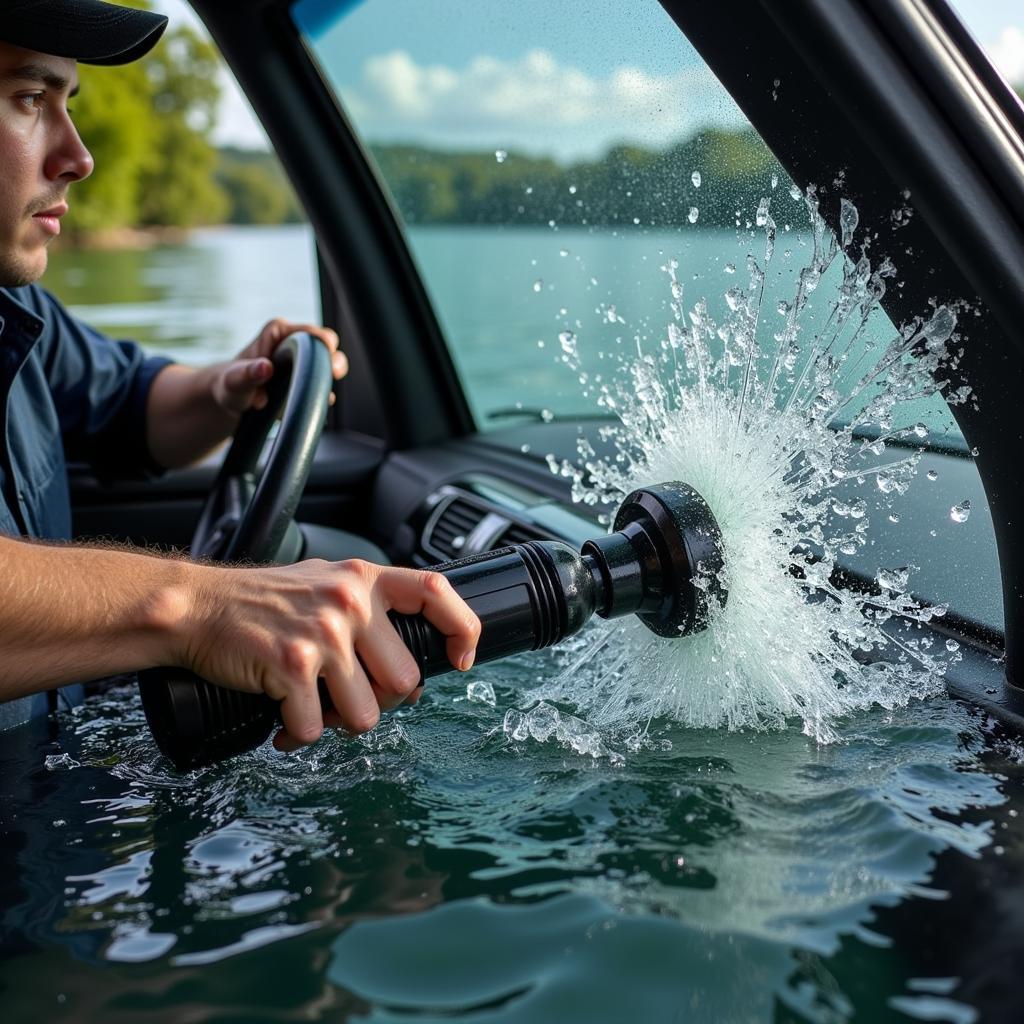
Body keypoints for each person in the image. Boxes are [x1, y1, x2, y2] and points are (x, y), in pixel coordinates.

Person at [0, 1, 480, 749]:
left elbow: (132, 404)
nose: (78, 155)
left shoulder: (16, 309)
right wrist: (203, 608)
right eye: (29, 99)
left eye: (69, 102)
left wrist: (232, 388)